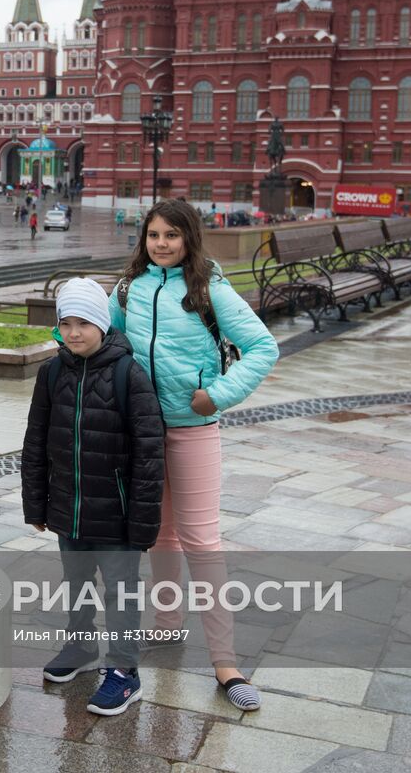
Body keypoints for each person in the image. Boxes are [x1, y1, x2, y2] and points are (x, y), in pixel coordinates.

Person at [109, 198, 278, 713]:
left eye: (171, 236)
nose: (161, 244)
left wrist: (218, 395)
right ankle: (166, 625)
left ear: (189, 239)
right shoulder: (128, 289)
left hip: (193, 429)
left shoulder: (210, 290)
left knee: (202, 540)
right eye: (153, 235)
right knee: (159, 534)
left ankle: (226, 663)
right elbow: (104, 338)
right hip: (140, 431)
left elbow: (263, 347)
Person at [22, 278, 165, 716]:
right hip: (69, 508)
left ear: (102, 323)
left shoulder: (128, 373)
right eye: (65, 323)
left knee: (121, 591)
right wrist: (37, 504)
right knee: (77, 583)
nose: (73, 332)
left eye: (83, 322)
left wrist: (143, 522)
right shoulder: (51, 373)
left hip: (117, 513)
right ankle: (81, 649)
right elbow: (36, 441)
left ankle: (124, 671)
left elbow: (149, 452)